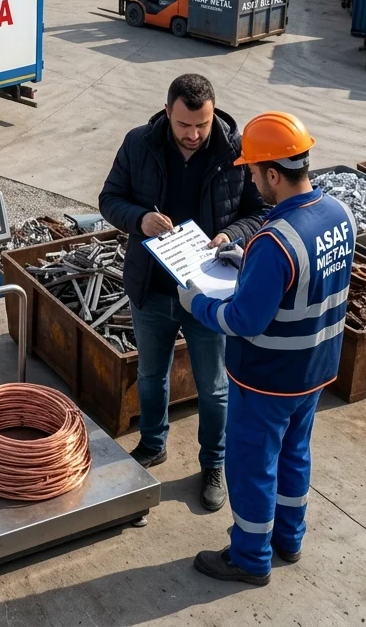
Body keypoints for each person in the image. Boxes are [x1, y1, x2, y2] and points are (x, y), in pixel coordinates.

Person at [179, 112, 355, 587]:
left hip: (268, 377)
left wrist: (196, 302)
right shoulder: (339, 214)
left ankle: (250, 557)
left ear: (273, 173)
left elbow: (242, 320)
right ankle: (289, 539)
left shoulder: (275, 241)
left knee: (251, 465)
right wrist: (250, 261)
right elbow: (309, 280)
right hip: (315, 369)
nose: (251, 179)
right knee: (295, 455)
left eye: (254, 172)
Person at [99, 74, 266, 512]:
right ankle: (153, 444)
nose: (193, 135)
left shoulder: (235, 151)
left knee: (213, 388)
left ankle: (213, 464)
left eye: (202, 125)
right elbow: (109, 198)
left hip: (208, 295)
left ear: (214, 114)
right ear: (167, 112)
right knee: (151, 375)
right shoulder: (139, 143)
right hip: (151, 288)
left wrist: (230, 235)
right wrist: (139, 220)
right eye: (183, 125)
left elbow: (260, 211)